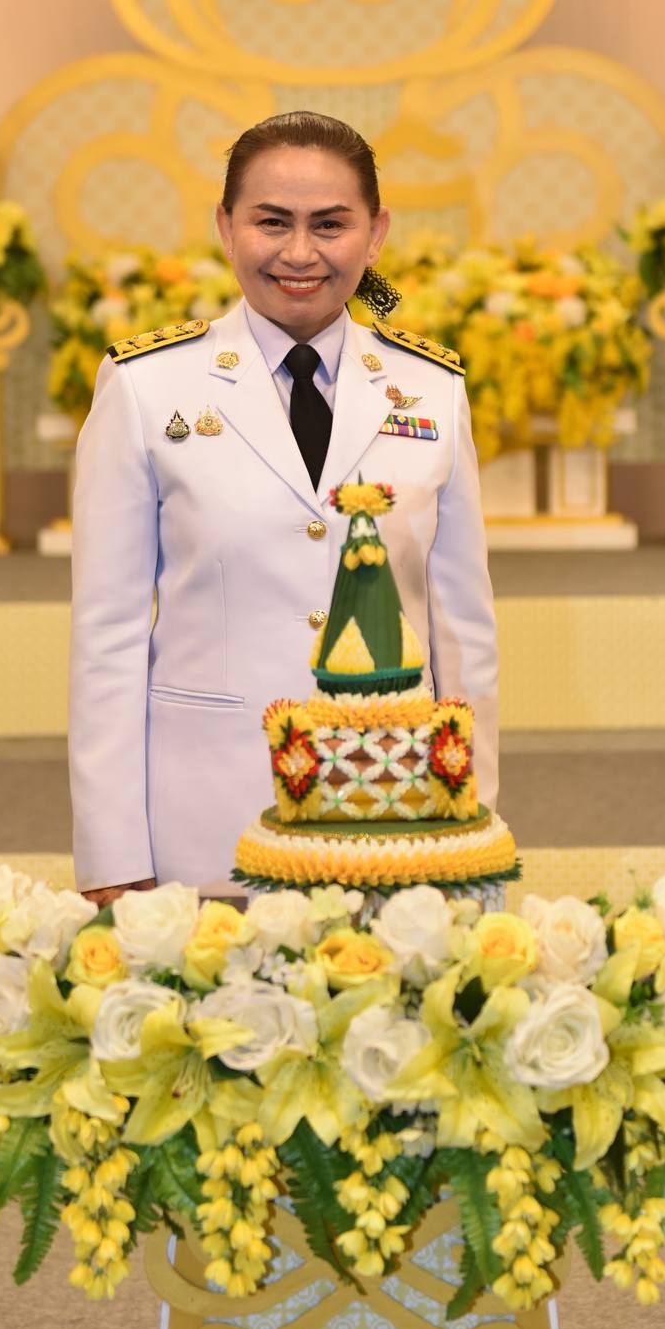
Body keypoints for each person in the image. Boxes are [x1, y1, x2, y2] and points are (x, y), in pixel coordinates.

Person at [67, 110, 499, 905]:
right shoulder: (145, 387)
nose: (299, 253)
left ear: (375, 237)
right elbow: (108, 634)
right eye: (272, 222)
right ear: (226, 228)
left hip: (390, 819)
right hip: (206, 822)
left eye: (330, 225)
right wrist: (112, 855)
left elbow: (461, 636)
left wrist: (465, 821)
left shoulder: (432, 391)